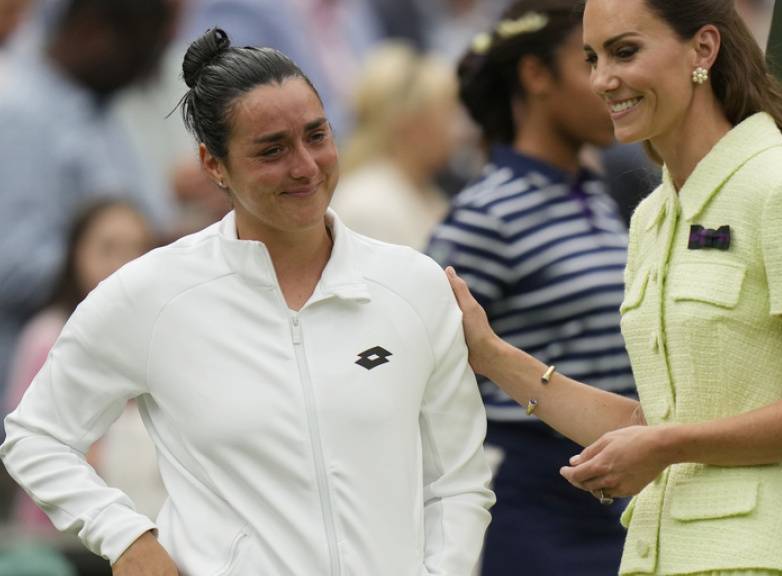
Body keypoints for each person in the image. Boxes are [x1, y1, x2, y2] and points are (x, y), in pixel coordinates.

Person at [1, 28, 494, 576]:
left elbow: (458, 481)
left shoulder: (413, 285)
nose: (305, 165)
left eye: (316, 135)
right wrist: (126, 537)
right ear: (213, 164)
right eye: (272, 149)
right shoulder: (153, 293)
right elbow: (36, 435)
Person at [445, 0, 782, 574]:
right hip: (663, 553)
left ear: (704, 48)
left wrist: (667, 445)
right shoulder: (651, 216)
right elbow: (656, 430)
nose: (602, 80)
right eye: (591, 59)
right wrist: (492, 356)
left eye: (625, 52)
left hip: (768, 558)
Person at [427, 1, 634, 573]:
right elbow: (427, 364)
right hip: (529, 513)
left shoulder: (595, 195)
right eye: (588, 62)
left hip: (613, 504)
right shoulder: (484, 214)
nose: (609, 82)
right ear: (536, 75)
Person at [0, 0, 178, 413]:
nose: (148, 70)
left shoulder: (99, 109)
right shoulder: (21, 115)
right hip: (34, 382)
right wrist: (119, 264)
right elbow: (11, 264)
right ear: (93, 33)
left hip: (107, 374)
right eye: (143, 50)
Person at [5, 199, 160, 533]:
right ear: (76, 253)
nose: (122, 263)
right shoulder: (47, 337)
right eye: (108, 248)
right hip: (60, 534)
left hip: (149, 528)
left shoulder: (164, 339)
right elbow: (30, 440)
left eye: (138, 249)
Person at [331, 43, 458, 250]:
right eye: (447, 114)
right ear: (409, 123)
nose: (457, 131)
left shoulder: (427, 194)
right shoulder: (368, 205)